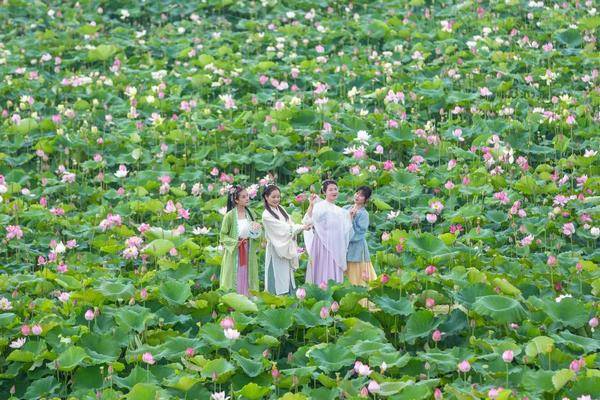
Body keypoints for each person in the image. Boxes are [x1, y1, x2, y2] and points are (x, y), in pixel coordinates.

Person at [261, 185, 311, 295]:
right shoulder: (266, 215)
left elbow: (290, 224)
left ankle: (289, 300)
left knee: (287, 276)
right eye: (273, 197)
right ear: (266, 197)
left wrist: (300, 226)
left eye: (278, 197)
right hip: (276, 250)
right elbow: (284, 229)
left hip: (285, 246)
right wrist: (301, 227)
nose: (276, 199)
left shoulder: (281, 209)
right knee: (277, 278)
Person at [302, 180, 353, 287]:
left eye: (335, 189)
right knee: (322, 268)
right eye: (330, 190)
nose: (334, 191)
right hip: (321, 244)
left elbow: (345, 229)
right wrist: (311, 205)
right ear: (324, 192)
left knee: (333, 268)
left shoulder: (340, 211)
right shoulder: (319, 206)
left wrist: (350, 217)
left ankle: (334, 292)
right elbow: (308, 221)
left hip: (335, 245)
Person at [219, 185, 261, 296]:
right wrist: (235, 243)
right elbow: (222, 236)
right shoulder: (229, 216)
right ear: (236, 200)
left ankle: (248, 300)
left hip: (248, 250)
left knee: (248, 274)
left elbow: (255, 234)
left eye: (247, 196)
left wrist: (257, 229)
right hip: (235, 251)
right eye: (243, 197)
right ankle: (233, 303)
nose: (247, 198)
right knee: (235, 275)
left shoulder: (251, 213)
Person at [344, 186, 377, 286]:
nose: (357, 196)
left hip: (357, 248)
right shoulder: (345, 208)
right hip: (344, 246)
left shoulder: (364, 214)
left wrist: (352, 219)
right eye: (357, 193)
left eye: (361, 195)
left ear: (366, 200)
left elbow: (359, 233)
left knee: (357, 277)